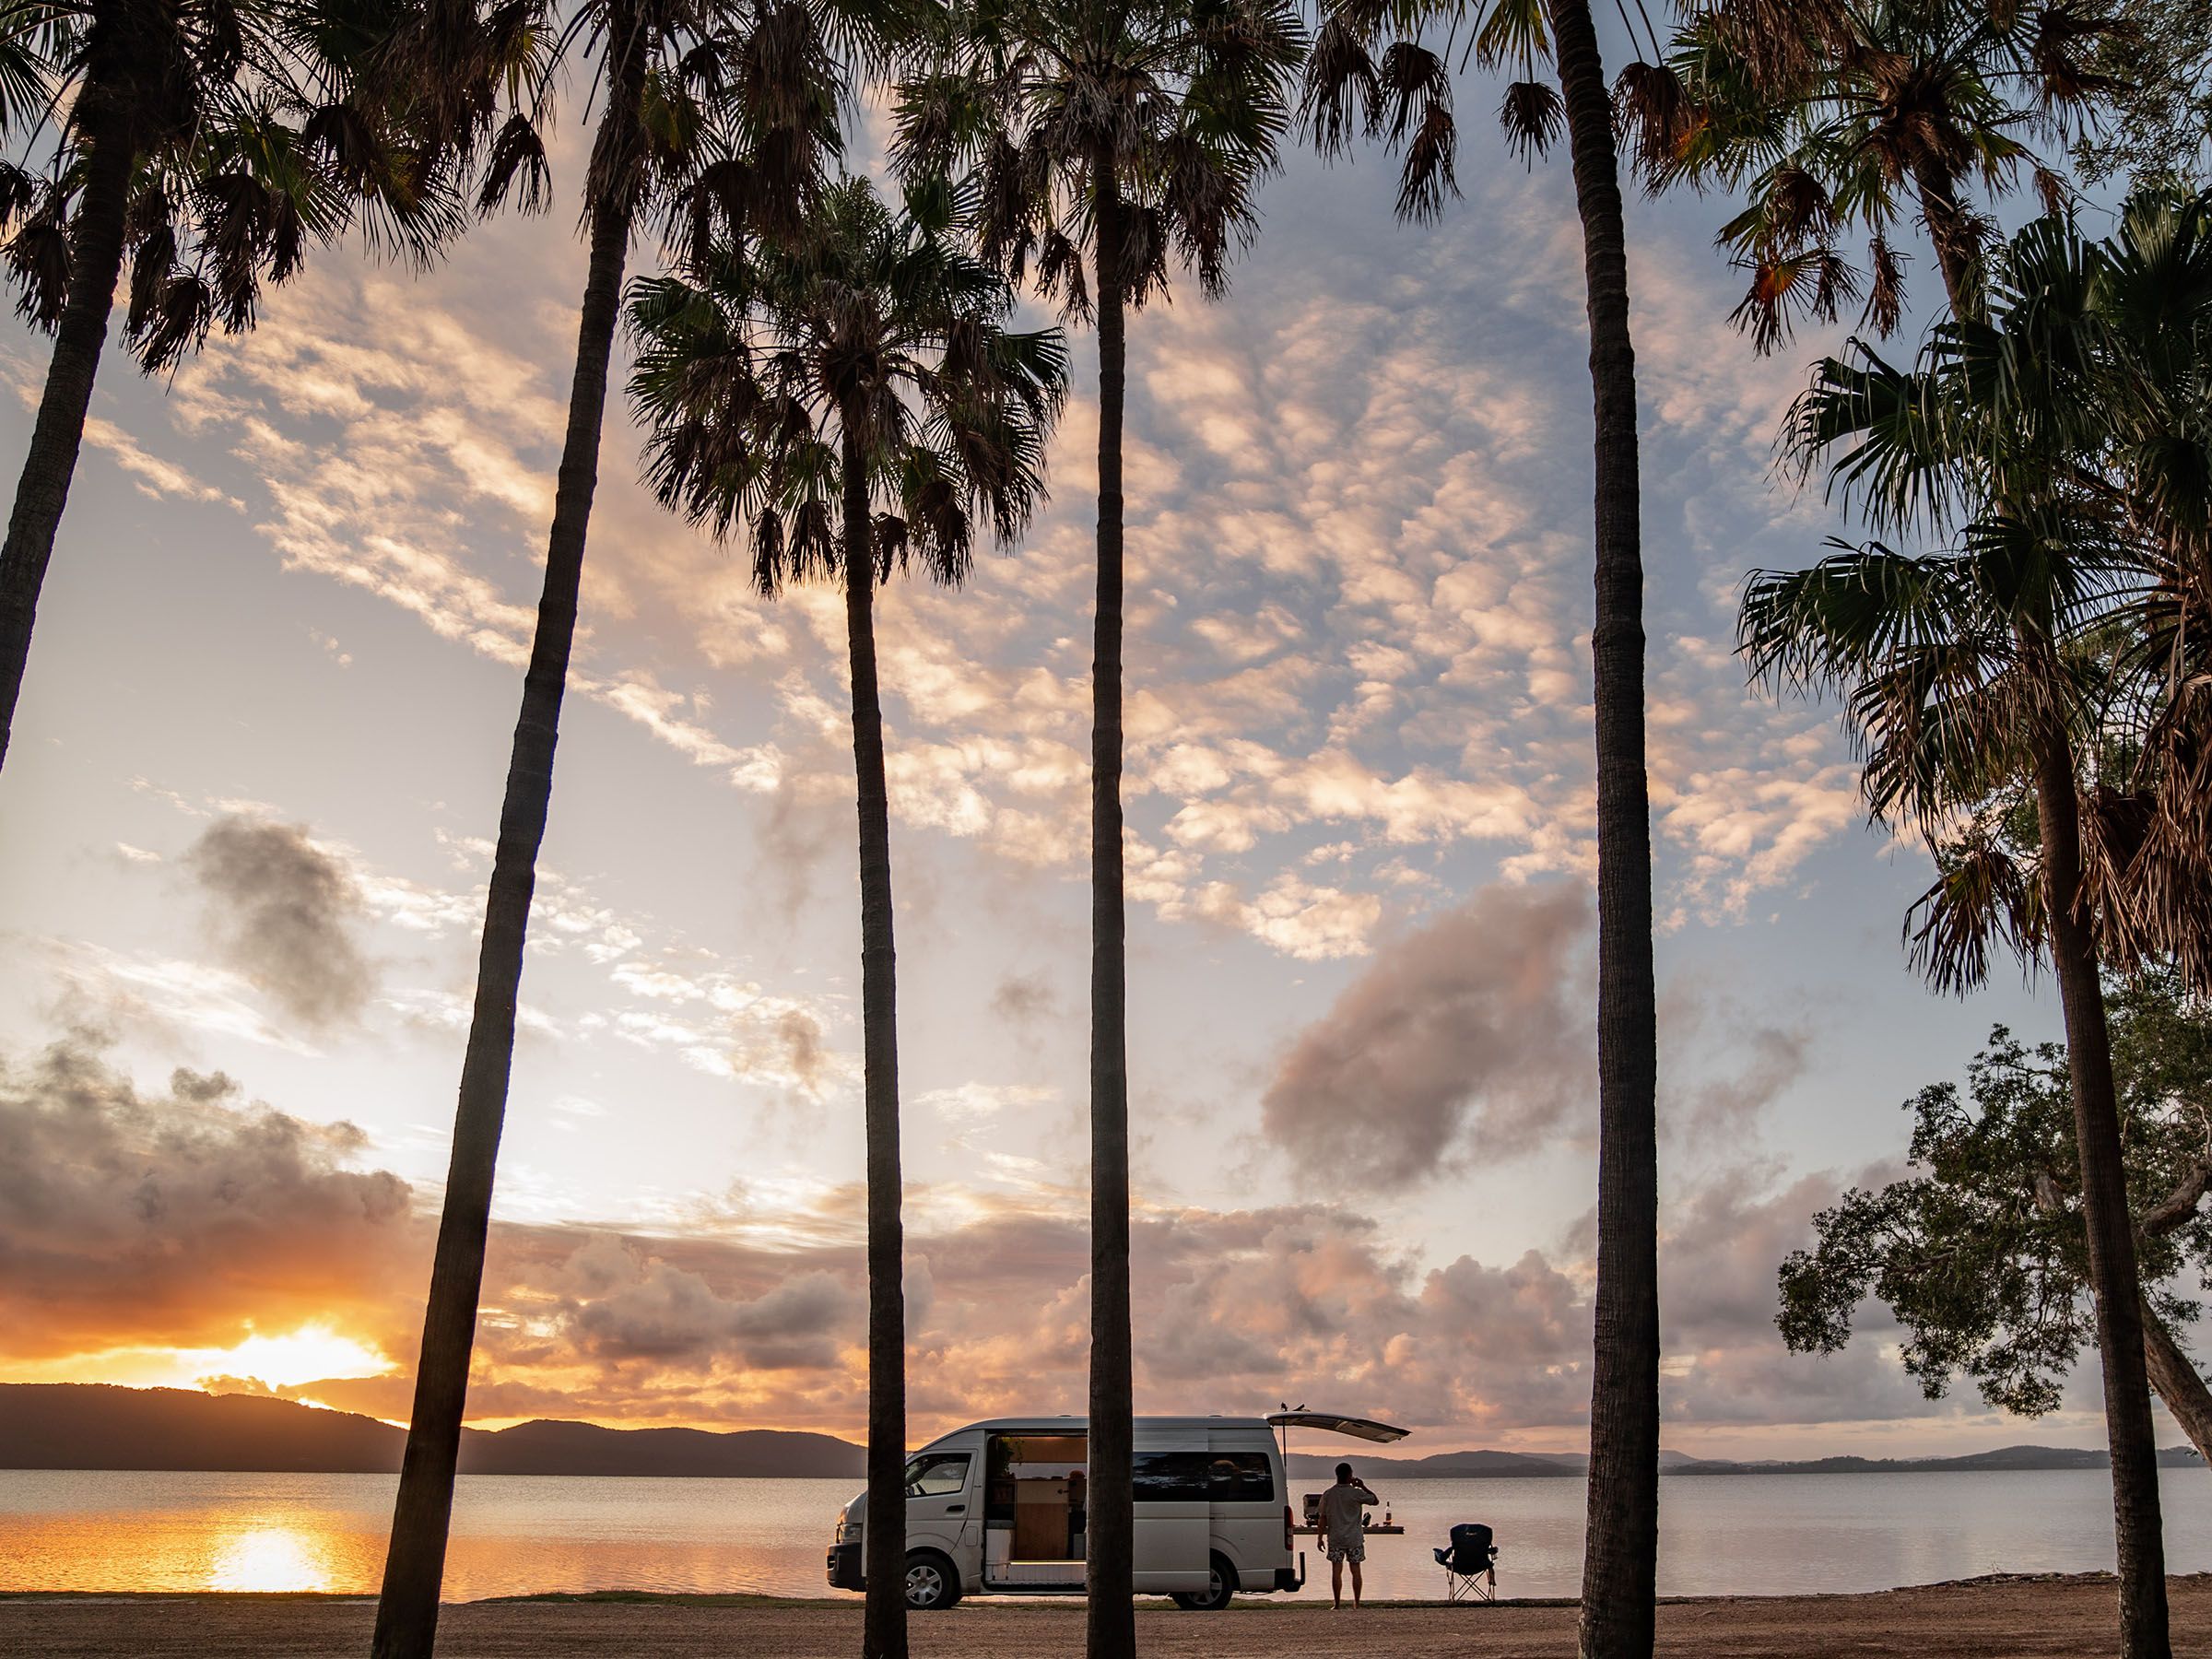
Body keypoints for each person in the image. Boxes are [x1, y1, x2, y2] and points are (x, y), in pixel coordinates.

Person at [1318, 1461, 1379, 1609]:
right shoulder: (1356, 1493)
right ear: (1350, 1475)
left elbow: (1322, 1518)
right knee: (1356, 1570)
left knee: (1336, 1571)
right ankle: (1356, 1603)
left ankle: (1337, 1604)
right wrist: (1362, 1486)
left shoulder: (1328, 1494)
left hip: (1335, 1538)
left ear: (1337, 1475)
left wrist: (1319, 1537)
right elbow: (1375, 1501)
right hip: (1354, 1538)